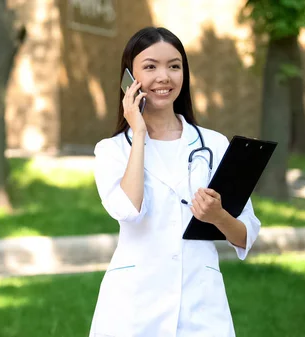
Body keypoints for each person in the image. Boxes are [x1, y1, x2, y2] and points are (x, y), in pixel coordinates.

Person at [88, 27, 261, 337]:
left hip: (202, 306)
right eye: (150, 66)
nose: (164, 77)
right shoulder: (111, 150)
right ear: (130, 77)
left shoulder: (215, 145)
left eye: (174, 66)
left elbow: (245, 236)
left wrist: (217, 216)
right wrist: (138, 132)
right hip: (133, 309)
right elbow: (128, 210)